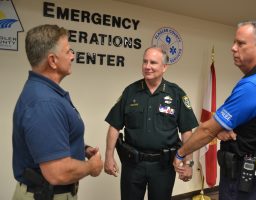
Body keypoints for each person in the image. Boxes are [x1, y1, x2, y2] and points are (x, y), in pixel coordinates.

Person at [173, 20, 256, 200]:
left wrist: (180, 154)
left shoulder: (254, 85)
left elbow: (207, 130)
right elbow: (254, 124)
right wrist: (221, 130)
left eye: (241, 43)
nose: (233, 48)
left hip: (245, 183)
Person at [12, 24, 103, 200]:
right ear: (53, 60)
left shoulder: (45, 93)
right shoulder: (44, 103)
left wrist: (80, 148)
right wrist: (92, 167)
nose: (73, 56)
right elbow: (57, 173)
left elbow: (48, 140)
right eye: (68, 51)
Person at [104, 46, 199, 200]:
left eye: (153, 63)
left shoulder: (176, 94)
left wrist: (189, 163)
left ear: (164, 67)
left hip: (163, 167)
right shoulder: (130, 91)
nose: (147, 67)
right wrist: (109, 156)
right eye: (145, 62)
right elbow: (114, 125)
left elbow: (187, 131)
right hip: (133, 165)